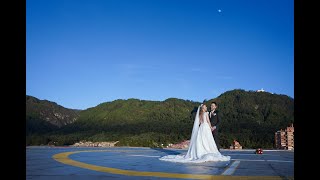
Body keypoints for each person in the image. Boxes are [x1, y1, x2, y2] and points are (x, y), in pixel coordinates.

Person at [159, 104, 230, 163]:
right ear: (203, 108)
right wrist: (210, 127)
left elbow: (199, 123)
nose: (206, 107)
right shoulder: (206, 113)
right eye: (205, 107)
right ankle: (209, 150)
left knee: (202, 140)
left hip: (201, 128)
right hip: (206, 127)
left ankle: (204, 150)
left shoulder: (200, 115)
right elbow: (208, 121)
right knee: (208, 140)